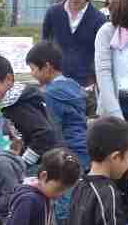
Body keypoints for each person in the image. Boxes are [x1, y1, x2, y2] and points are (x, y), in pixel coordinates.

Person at [0, 53, 63, 173]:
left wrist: (23, 163)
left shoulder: (19, 105)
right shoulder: (8, 100)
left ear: (9, 79)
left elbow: (44, 134)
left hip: (47, 164)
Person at [27, 41, 90, 169]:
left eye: (33, 69)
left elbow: (54, 129)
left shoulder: (51, 94)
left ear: (47, 67)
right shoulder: (73, 85)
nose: (31, 73)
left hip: (69, 154)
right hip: (85, 150)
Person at [41, 0, 107, 88]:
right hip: (56, 79)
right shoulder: (53, 12)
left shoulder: (99, 19)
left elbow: (102, 53)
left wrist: (93, 79)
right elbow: (44, 44)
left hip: (85, 82)